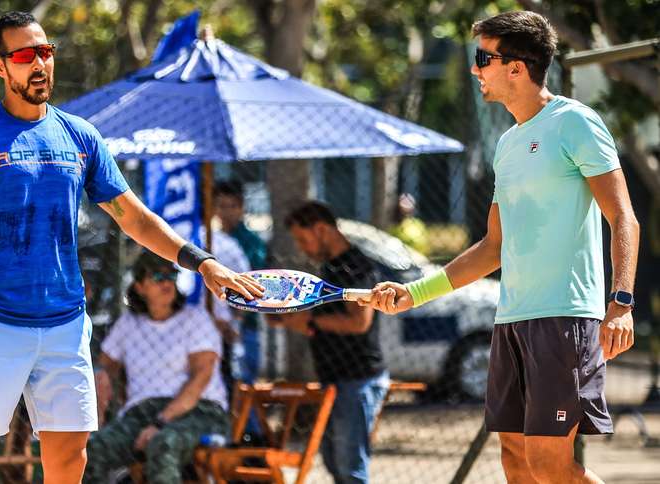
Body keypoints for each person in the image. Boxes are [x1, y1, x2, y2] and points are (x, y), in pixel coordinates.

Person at [0, 11, 262, 484]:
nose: (39, 64)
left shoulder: (80, 135)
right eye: (25, 55)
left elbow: (133, 216)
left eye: (45, 52)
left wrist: (202, 262)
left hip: (65, 324)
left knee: (71, 459)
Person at [362, 11, 639, 484]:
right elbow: (494, 247)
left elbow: (623, 218)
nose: (475, 70)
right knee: (516, 462)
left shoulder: (575, 122)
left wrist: (622, 304)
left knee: (550, 465)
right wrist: (415, 294)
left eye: (483, 58)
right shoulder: (507, 143)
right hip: (511, 321)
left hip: (564, 318)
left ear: (516, 67)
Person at [85, 251, 228, 483]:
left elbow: (201, 377)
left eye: (171, 276)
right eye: (157, 277)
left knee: (163, 444)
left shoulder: (195, 319)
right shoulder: (129, 323)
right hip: (140, 413)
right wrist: (102, 380)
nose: (167, 283)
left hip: (198, 412)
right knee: (93, 450)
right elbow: (105, 365)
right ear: (140, 286)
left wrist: (160, 422)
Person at [271, 201, 388, 484]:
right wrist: (291, 317)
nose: (302, 248)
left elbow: (360, 322)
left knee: (351, 470)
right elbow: (327, 318)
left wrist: (310, 323)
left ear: (322, 229)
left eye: (303, 238)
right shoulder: (330, 268)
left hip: (357, 379)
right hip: (333, 379)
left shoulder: (356, 267)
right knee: (334, 463)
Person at [213, 179, 267, 387]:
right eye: (221, 206)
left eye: (232, 206)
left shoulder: (251, 243)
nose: (226, 212)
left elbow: (255, 284)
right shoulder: (211, 239)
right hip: (215, 324)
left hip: (243, 326)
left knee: (243, 387)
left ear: (242, 207)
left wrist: (235, 320)